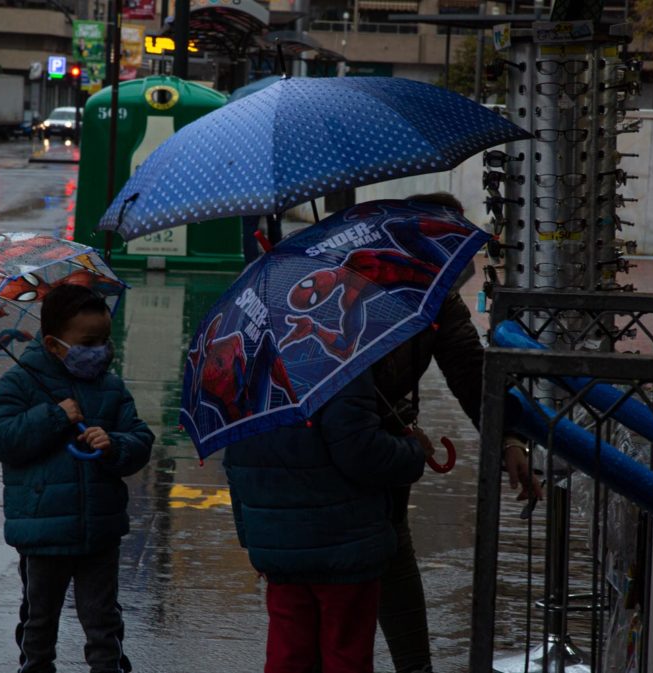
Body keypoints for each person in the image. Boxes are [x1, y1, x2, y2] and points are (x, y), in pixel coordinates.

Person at [371, 191, 540, 673]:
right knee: (339, 619)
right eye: (451, 243)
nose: (461, 258)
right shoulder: (357, 292)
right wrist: (401, 436)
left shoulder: (435, 294)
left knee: (399, 600)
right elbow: (347, 404)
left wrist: (508, 439)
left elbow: (469, 370)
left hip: (386, 468)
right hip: (349, 466)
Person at [0, 284, 154, 673]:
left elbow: (140, 439)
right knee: (40, 618)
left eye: (105, 340)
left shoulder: (110, 387)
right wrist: (55, 415)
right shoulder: (21, 382)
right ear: (54, 343)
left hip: (100, 529)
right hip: (43, 531)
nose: (100, 350)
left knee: (103, 619)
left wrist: (114, 444)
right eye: (88, 341)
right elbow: (1, 439)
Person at [223, 368, 433, 673]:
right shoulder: (339, 369)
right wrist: (415, 452)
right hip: (345, 546)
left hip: (282, 552)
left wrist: (252, 540)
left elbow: (236, 465)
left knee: (289, 656)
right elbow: (364, 455)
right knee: (345, 653)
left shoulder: (247, 374)